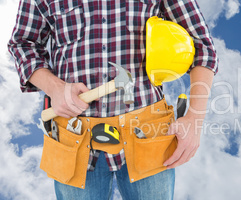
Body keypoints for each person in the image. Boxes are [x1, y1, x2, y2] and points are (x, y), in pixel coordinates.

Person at [8, 0, 218, 199]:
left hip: (148, 135)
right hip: (74, 137)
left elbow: (202, 46)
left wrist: (194, 119)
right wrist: (55, 88)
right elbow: (22, 44)